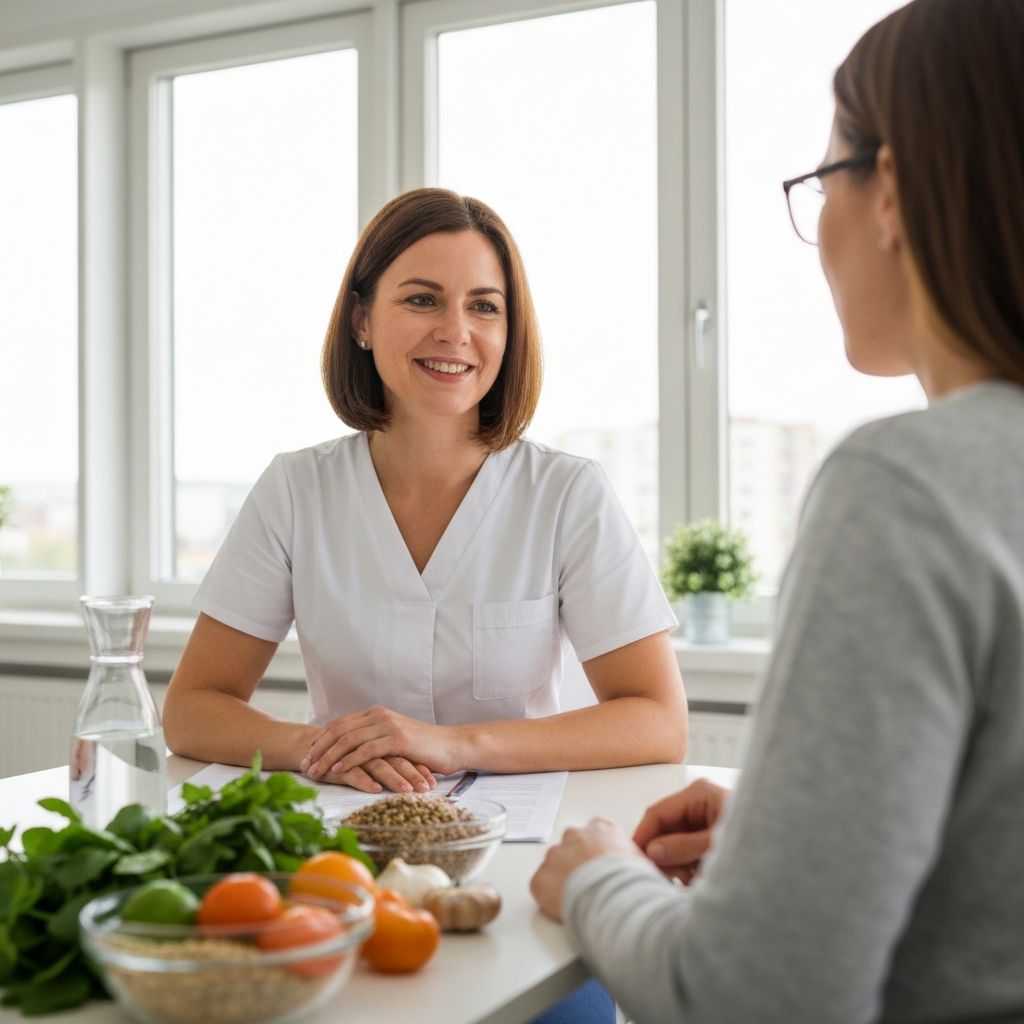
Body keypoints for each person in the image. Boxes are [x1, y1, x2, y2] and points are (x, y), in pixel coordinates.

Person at [530, 0, 1024, 1021]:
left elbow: (755, 997)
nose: (817, 234)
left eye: (820, 180)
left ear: (889, 189)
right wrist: (792, 836)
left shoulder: (905, 490)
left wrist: (589, 872)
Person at [164, 187, 688, 795]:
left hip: (516, 831)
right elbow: (192, 707)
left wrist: (454, 745)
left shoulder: (567, 493)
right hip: (345, 832)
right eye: (422, 299)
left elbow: (658, 720)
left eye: (485, 307)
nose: (455, 331)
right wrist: (322, 748)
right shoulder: (295, 490)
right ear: (361, 321)